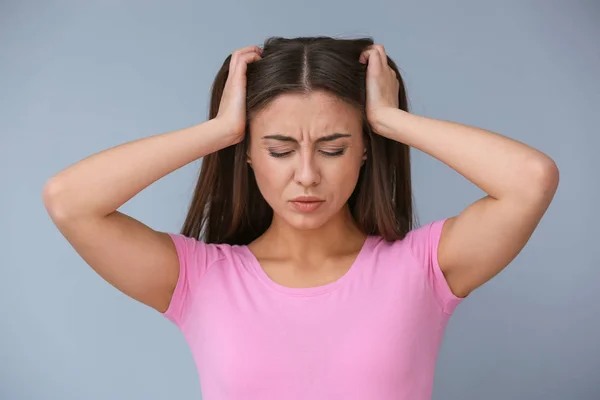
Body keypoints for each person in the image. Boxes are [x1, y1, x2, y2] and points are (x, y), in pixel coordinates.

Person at [42, 36, 559, 400]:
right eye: (280, 148)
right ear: (247, 153)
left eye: (333, 148)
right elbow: (69, 199)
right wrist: (220, 131)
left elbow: (531, 179)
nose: (307, 175)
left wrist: (390, 119)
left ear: (363, 151)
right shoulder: (199, 278)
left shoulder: (423, 267)